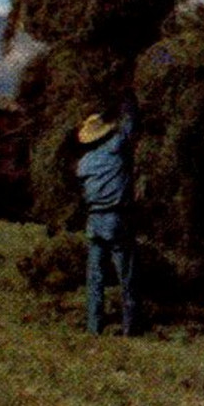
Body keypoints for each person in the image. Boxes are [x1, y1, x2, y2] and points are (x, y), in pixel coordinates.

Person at [75, 87, 140, 336]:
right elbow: (131, 124)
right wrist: (127, 97)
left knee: (95, 277)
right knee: (127, 274)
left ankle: (94, 326)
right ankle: (130, 327)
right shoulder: (117, 148)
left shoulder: (84, 164)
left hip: (94, 222)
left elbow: (83, 193)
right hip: (116, 218)